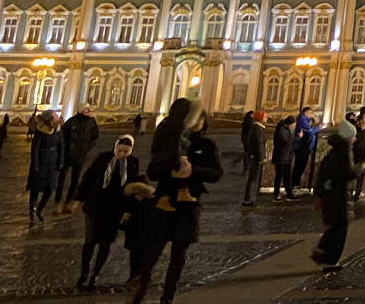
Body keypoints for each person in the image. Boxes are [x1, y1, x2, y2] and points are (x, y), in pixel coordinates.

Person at [131, 98, 223, 304]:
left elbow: (216, 173)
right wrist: (170, 169)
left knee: (178, 258)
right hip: (164, 206)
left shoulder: (206, 145)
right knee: (150, 254)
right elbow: (153, 171)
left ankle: (167, 298)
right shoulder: (170, 139)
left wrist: (193, 171)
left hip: (187, 209)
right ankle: (139, 292)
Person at [76, 134, 141, 289]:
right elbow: (88, 178)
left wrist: (127, 209)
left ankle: (95, 273)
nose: (122, 154)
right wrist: (79, 199)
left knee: (106, 242)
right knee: (89, 241)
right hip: (95, 205)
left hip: (114, 209)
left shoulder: (132, 163)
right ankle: (84, 271)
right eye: (120, 150)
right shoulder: (103, 158)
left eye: (126, 151)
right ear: (115, 147)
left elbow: (131, 187)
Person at [311, 120, 357, 268]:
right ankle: (329, 259)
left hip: (331, 194)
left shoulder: (334, 150)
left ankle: (322, 250)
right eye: (353, 136)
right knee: (340, 226)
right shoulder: (345, 150)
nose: (355, 139)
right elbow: (348, 173)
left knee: (336, 225)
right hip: (339, 195)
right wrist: (361, 167)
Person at [59, 104, 101, 213]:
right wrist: (65, 149)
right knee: (61, 179)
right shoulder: (71, 121)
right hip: (67, 155)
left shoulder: (91, 122)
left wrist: (87, 147)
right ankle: (57, 203)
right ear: (81, 110)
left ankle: (69, 202)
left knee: (75, 180)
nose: (88, 111)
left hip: (80, 155)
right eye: (86, 109)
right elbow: (63, 136)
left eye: (89, 109)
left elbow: (95, 137)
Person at [27, 110, 67, 223]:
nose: (57, 120)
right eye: (55, 118)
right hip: (41, 162)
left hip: (53, 163)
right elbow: (35, 150)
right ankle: (32, 212)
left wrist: (60, 162)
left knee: (49, 189)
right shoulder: (40, 132)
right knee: (35, 188)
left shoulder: (58, 131)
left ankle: (40, 208)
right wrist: (35, 164)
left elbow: (61, 147)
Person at [240, 110, 265, 207]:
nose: (266, 118)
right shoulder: (258, 128)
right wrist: (261, 156)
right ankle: (247, 199)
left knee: (253, 177)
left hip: (254, 155)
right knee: (253, 177)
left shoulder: (257, 127)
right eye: (265, 116)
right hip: (255, 156)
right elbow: (259, 143)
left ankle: (248, 198)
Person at [272, 115, 297, 201]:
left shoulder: (286, 129)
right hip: (281, 156)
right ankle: (276, 194)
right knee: (279, 176)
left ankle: (289, 194)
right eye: (292, 125)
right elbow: (286, 141)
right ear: (289, 124)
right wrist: (297, 138)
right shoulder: (280, 130)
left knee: (287, 176)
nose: (293, 127)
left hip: (286, 156)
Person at [293, 107, 316, 194]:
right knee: (299, 166)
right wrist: (318, 127)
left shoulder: (304, 120)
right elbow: (309, 131)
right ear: (306, 113)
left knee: (300, 166)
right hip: (301, 147)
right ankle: (294, 186)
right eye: (311, 113)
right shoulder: (302, 120)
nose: (312, 115)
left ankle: (295, 185)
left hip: (303, 147)